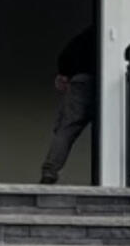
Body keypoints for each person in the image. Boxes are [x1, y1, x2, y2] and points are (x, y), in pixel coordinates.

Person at [39, 27, 96, 184]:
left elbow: (65, 55)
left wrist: (65, 73)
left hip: (81, 82)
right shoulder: (99, 34)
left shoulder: (84, 37)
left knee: (66, 128)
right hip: (100, 82)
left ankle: (50, 171)